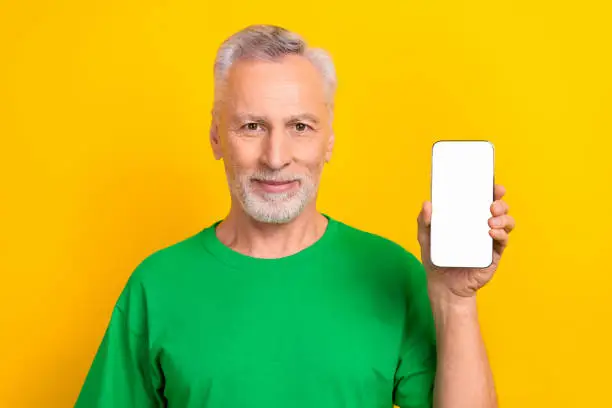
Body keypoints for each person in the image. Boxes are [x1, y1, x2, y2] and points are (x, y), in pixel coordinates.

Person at [74, 24, 515, 408]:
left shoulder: (393, 273)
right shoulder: (156, 284)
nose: (276, 157)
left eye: (300, 127)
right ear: (215, 136)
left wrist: (456, 302)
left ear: (329, 141)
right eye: (252, 126)